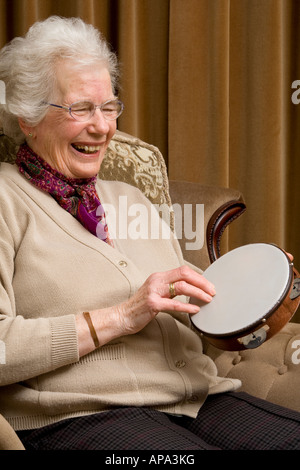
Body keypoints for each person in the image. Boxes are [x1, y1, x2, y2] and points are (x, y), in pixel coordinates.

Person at [0, 16, 299, 451]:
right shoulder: (6, 199)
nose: (102, 127)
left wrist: (256, 297)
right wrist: (121, 316)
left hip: (200, 398)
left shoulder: (131, 199)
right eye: (80, 108)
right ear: (28, 116)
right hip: (80, 414)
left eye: (109, 107)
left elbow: (190, 315)